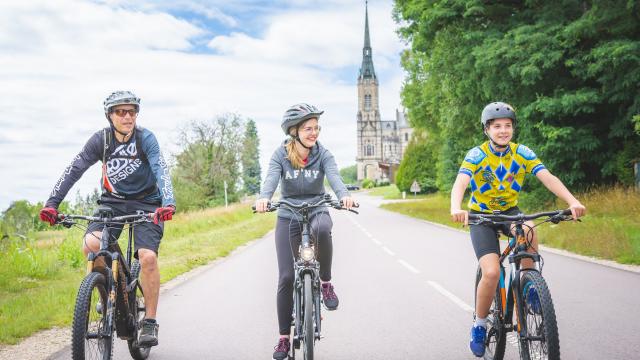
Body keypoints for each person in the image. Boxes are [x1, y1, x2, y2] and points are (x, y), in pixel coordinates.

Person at [39, 91, 176, 347]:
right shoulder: (100, 140)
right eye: (120, 112)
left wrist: (168, 203)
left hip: (148, 203)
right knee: (91, 245)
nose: (127, 116)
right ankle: (106, 292)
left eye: (132, 111)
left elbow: (161, 169)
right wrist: (52, 204)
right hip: (112, 203)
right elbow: (74, 169)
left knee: (147, 256)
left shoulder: (146, 138)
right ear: (109, 116)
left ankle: (150, 322)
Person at [450, 101, 586, 357]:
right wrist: (456, 207)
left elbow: (548, 177)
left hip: (510, 212)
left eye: (508, 126)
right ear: (487, 130)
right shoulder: (476, 155)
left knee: (530, 229)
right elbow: (460, 183)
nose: (503, 130)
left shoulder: (522, 152)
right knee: (490, 272)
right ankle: (480, 324)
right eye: (497, 126)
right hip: (481, 216)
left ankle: (529, 287)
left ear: (513, 128)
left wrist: (572, 201)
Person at [255, 103, 356, 360]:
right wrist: (264, 198)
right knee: (287, 277)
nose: (314, 133)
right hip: (288, 213)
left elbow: (334, 178)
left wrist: (344, 196)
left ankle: (325, 283)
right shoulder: (280, 155)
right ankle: (283, 339)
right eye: (308, 128)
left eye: (316, 128)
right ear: (294, 131)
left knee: (323, 228)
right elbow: (270, 179)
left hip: (317, 208)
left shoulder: (323, 154)